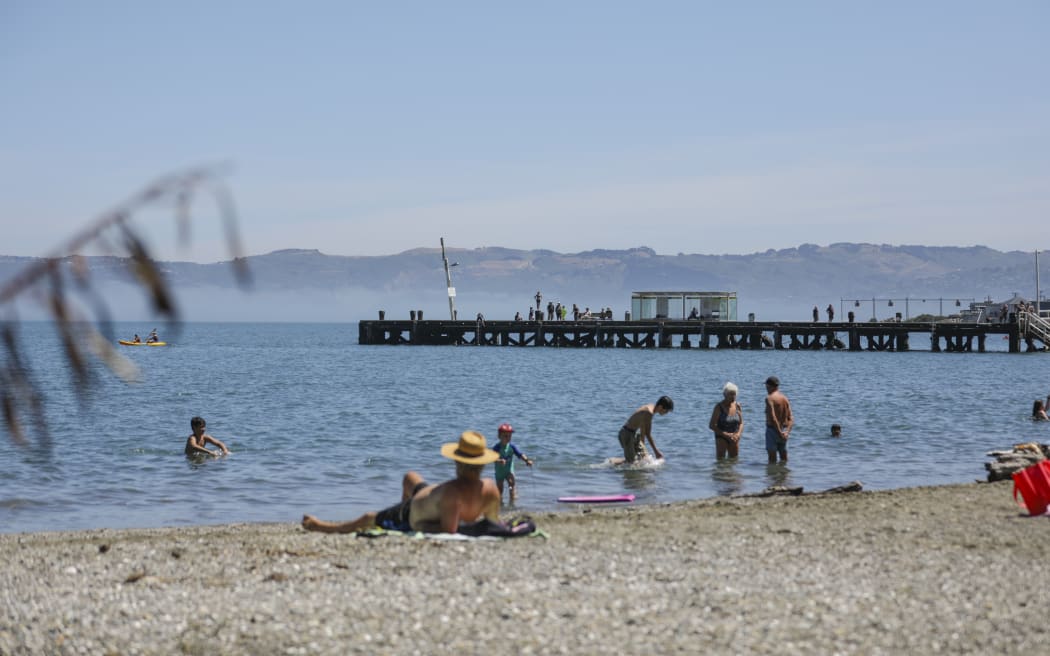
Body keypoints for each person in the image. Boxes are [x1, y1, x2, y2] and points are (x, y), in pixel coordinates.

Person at [301, 431, 501, 534]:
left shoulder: (452, 495)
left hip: (412, 513)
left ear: (457, 460)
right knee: (410, 477)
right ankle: (399, 506)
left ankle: (322, 527)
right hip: (429, 496)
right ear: (482, 462)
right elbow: (493, 523)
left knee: (368, 518)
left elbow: (448, 530)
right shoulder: (491, 489)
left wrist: (419, 525)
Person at [618, 396, 674, 463]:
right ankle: (611, 463)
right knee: (631, 463)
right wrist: (656, 452)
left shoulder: (651, 408)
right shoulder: (649, 413)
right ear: (660, 407)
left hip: (634, 433)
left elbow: (642, 428)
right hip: (626, 434)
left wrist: (642, 446)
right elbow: (648, 434)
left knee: (644, 459)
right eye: (666, 411)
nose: (666, 413)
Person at [491, 423, 533, 503]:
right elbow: (491, 458)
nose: (508, 438)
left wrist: (527, 460)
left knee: (511, 484)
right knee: (500, 489)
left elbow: (520, 454)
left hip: (509, 470)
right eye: (505, 436)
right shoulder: (496, 448)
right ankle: (500, 504)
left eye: (509, 436)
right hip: (499, 472)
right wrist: (499, 461)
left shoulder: (512, 447)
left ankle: (512, 501)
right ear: (499, 436)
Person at [709, 382, 743, 459]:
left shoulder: (737, 406)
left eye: (734, 394)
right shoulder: (719, 407)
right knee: (721, 462)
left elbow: (741, 423)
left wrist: (738, 434)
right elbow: (711, 425)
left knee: (734, 461)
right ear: (725, 395)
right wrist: (726, 435)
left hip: (734, 437)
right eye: (730, 394)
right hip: (722, 437)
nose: (733, 396)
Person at [764, 376, 793, 464]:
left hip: (773, 430)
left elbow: (773, 418)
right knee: (784, 456)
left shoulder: (769, 398)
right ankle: (784, 475)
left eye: (767, 386)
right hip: (784, 430)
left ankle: (773, 477)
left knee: (772, 459)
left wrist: (779, 432)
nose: (766, 388)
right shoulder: (785, 398)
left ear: (770, 386)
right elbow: (791, 418)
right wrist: (787, 432)